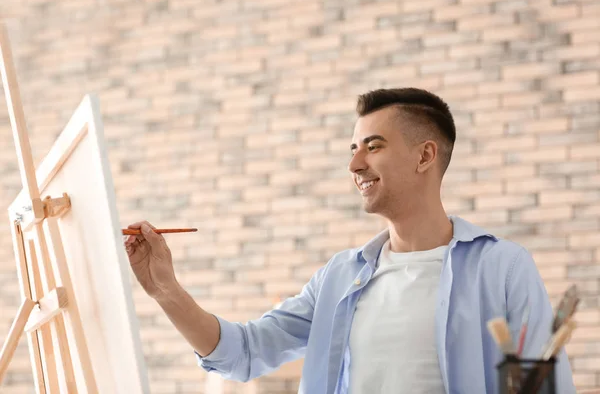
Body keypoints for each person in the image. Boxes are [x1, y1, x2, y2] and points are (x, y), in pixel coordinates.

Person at [125, 88, 576, 394]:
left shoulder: (501, 268)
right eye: (353, 149)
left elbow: (546, 384)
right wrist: (165, 289)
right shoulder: (340, 277)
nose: (354, 164)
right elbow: (243, 352)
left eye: (373, 146)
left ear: (425, 155)